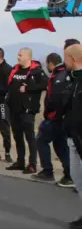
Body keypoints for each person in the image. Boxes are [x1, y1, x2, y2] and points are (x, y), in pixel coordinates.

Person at [5, 48, 48, 174]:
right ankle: (20, 161)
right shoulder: (15, 69)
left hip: (28, 110)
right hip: (14, 109)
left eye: (20, 55)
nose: (18, 57)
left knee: (30, 137)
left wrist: (29, 87)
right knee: (17, 137)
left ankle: (32, 164)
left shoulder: (36, 71)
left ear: (28, 57)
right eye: (18, 55)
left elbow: (45, 85)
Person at [33, 53, 72, 186]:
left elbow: (56, 98)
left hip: (55, 117)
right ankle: (69, 174)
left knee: (41, 140)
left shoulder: (58, 76)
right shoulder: (64, 74)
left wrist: (52, 114)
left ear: (50, 63)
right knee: (60, 145)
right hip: (61, 118)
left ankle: (47, 171)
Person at [61, 43, 82, 229]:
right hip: (72, 137)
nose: (63, 61)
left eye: (65, 58)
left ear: (73, 59)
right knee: (78, 180)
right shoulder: (73, 80)